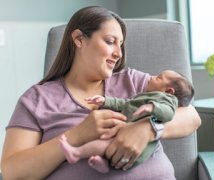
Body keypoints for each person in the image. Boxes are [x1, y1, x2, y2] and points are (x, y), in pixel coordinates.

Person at [1, 6, 201, 180]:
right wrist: (76, 135)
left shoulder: (133, 80)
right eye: (110, 41)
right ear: (79, 39)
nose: (119, 53)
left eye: (120, 44)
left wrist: (148, 129)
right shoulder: (37, 100)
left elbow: (191, 116)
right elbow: (12, 173)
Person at [59, 70, 194, 173]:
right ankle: (104, 165)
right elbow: (126, 103)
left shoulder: (167, 100)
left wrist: (152, 107)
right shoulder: (148, 96)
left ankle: (76, 153)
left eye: (158, 77)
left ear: (169, 91)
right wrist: (106, 100)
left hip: (135, 149)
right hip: (124, 137)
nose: (151, 77)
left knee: (106, 143)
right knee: (107, 145)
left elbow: (169, 112)